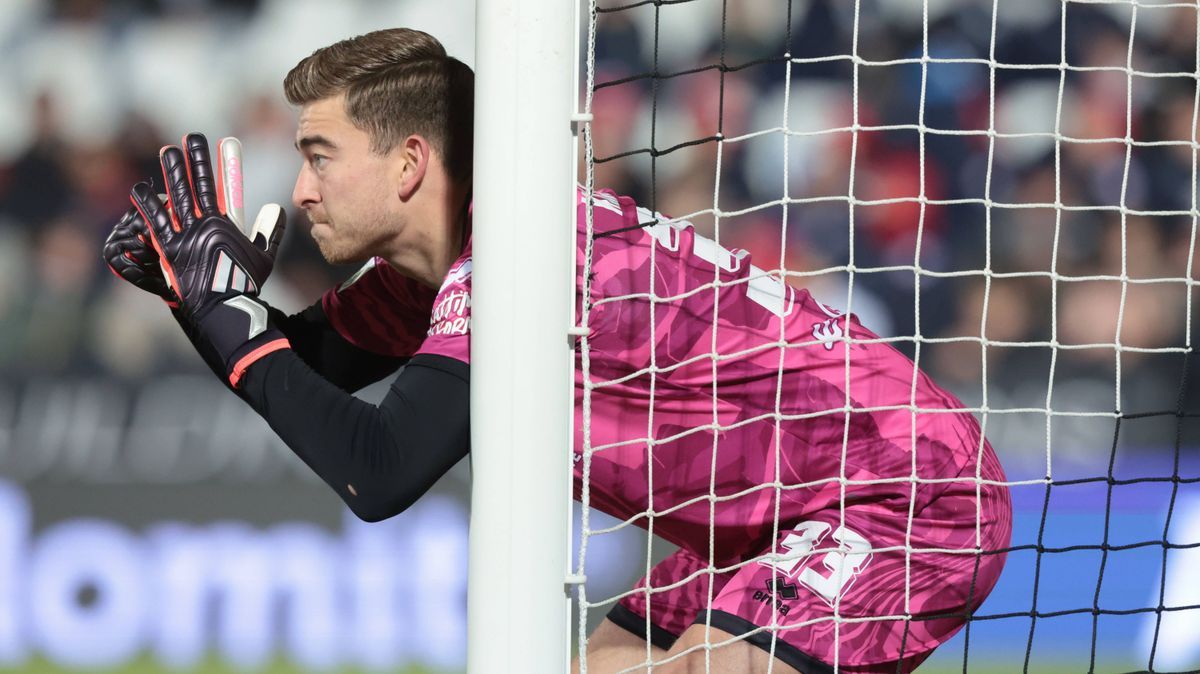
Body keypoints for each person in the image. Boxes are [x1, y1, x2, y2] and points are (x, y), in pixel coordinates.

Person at [103, 27, 1011, 674]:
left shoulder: (520, 259)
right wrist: (198, 295)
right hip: (767, 519)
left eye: (320, 155)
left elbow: (376, 471)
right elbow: (309, 369)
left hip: (906, 493)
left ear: (410, 161)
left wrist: (227, 313)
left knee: (709, 671)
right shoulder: (436, 270)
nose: (299, 189)